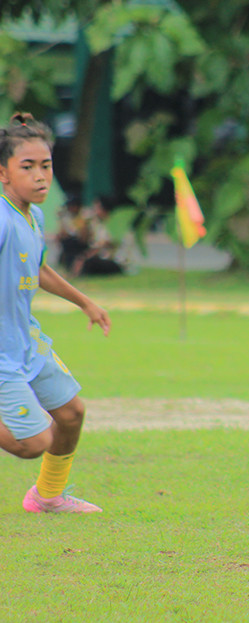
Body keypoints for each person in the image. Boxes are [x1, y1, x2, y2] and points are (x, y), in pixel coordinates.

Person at [0, 112, 111, 513]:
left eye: (45, 165)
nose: (40, 175)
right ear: (3, 173)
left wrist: (86, 302)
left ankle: (47, 497)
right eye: (26, 167)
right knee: (33, 442)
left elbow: (39, 269)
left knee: (71, 413)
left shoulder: (32, 214)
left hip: (24, 340)